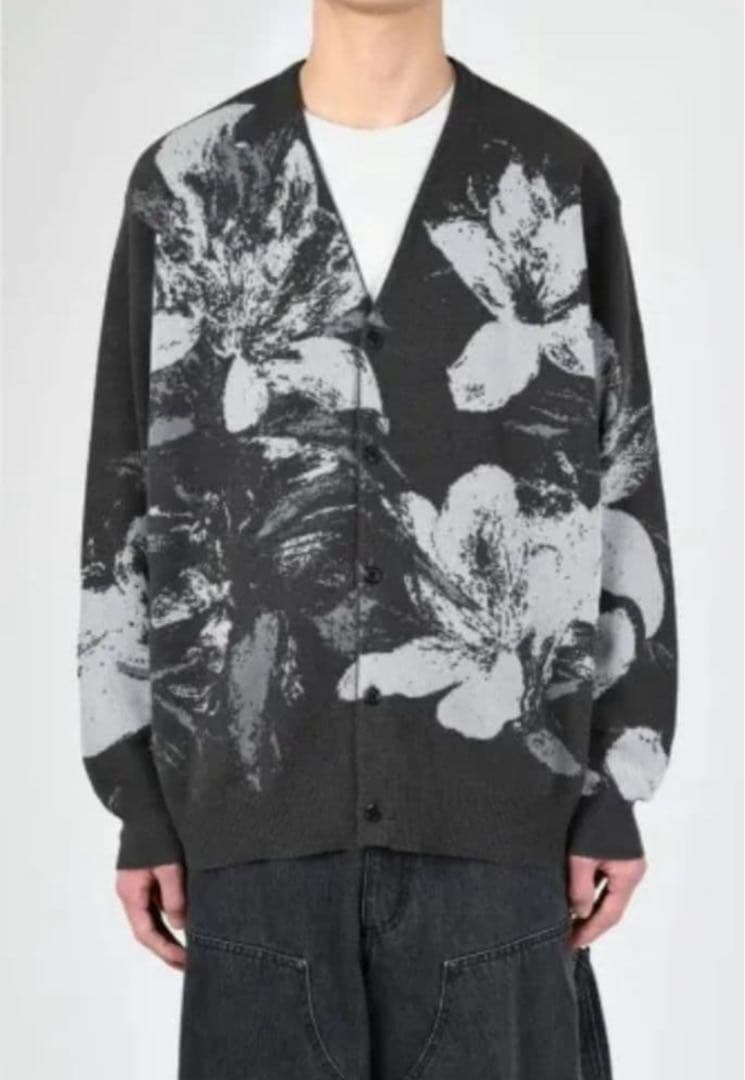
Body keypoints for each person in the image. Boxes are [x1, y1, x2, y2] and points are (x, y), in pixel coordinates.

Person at [77, 1, 678, 1076]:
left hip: (501, 829)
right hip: (251, 829)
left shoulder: (550, 176)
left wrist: (615, 783)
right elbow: (122, 501)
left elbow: (621, 483)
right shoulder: (186, 181)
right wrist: (140, 800)